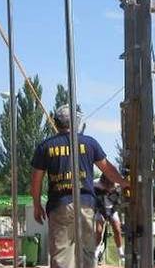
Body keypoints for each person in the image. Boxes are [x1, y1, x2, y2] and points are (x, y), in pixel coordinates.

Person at [30, 104, 128, 268]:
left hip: (59, 205)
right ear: (76, 122)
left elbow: (36, 179)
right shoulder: (89, 143)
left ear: (56, 123)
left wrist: (36, 205)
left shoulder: (45, 146)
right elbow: (107, 169)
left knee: (61, 255)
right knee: (86, 253)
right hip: (85, 204)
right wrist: (124, 183)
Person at [93, 175, 124, 262]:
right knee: (98, 231)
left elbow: (120, 198)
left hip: (112, 209)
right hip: (100, 209)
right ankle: (96, 250)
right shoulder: (95, 183)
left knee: (117, 229)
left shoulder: (117, 184)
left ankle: (120, 250)